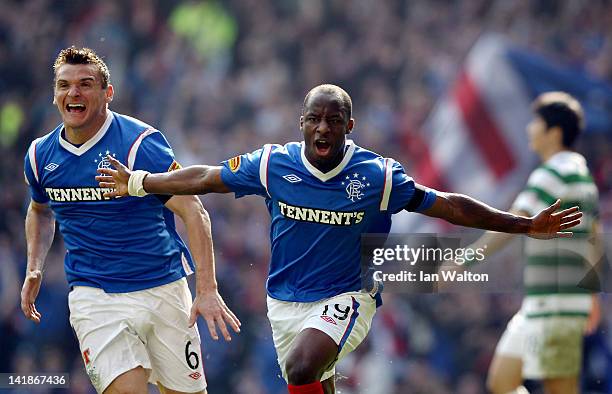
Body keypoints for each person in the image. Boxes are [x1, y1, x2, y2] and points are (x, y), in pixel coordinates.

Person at [97, 84, 582, 394]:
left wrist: (522, 225)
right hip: (284, 301)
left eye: (334, 120)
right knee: (312, 380)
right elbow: (207, 178)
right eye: (315, 119)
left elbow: (448, 204)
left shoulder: (376, 175)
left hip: (349, 296)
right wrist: (142, 182)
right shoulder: (274, 163)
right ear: (302, 123)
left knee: (302, 366)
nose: (323, 128)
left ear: (350, 126)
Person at [21, 47, 240, 394]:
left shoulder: (140, 145)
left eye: (85, 84)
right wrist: (35, 265)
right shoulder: (39, 156)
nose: (73, 93)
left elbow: (193, 210)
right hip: (95, 296)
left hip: (162, 288)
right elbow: (40, 210)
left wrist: (207, 288)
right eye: (64, 85)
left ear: (108, 94)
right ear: (54, 94)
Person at [460, 92, 600, 394]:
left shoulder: (552, 173)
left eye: (537, 122)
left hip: (558, 302)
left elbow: (513, 221)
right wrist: (592, 296)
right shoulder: (582, 175)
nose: (529, 128)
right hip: (545, 302)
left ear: (555, 132)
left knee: (553, 388)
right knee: (502, 382)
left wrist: (466, 258)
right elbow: (593, 237)